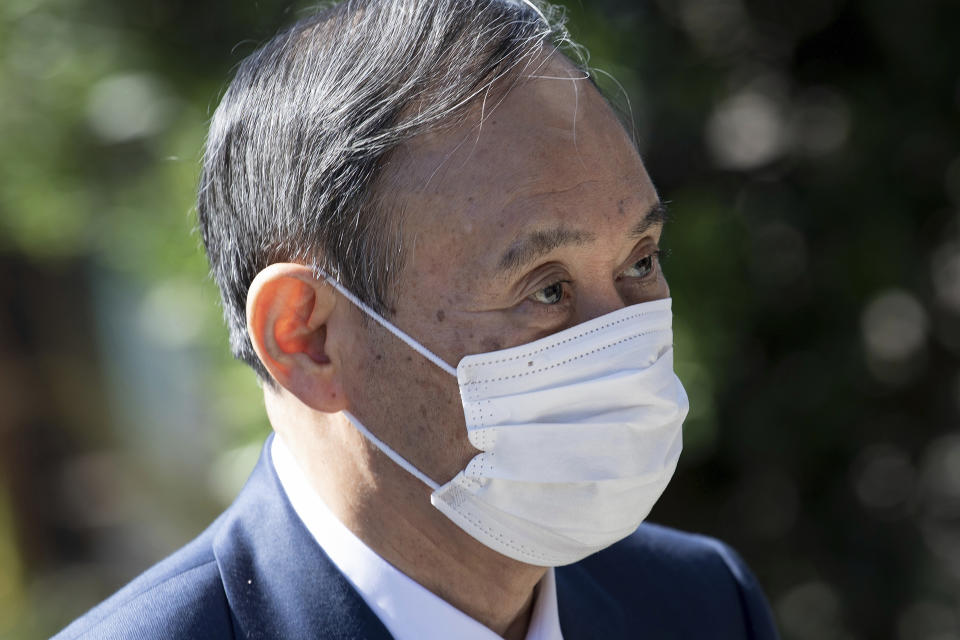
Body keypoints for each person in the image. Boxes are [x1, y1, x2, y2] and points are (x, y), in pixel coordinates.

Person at [54, 0, 780, 638]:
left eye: (640, 262)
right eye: (546, 288)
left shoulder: (702, 604)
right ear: (305, 338)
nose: (619, 332)